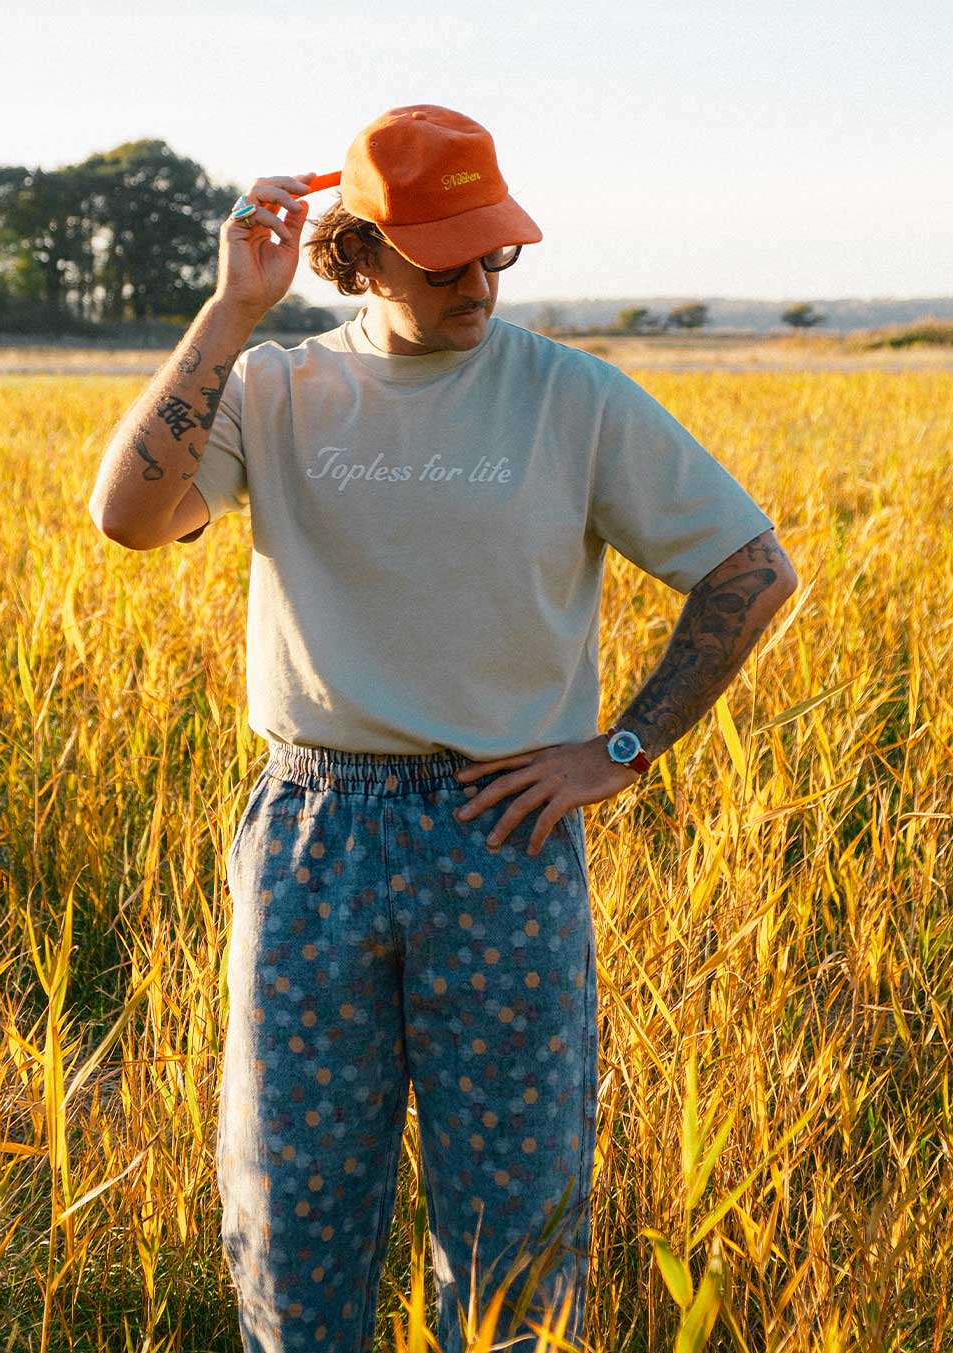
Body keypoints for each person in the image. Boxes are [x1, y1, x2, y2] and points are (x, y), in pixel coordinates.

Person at [88, 104, 797, 1353]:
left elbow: (751, 572)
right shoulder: (274, 382)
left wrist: (619, 749)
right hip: (316, 828)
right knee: (291, 1204)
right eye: (447, 256)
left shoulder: (571, 397)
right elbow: (131, 518)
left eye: (497, 253)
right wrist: (233, 306)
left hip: (500, 831)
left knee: (514, 1219)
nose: (480, 281)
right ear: (357, 255)